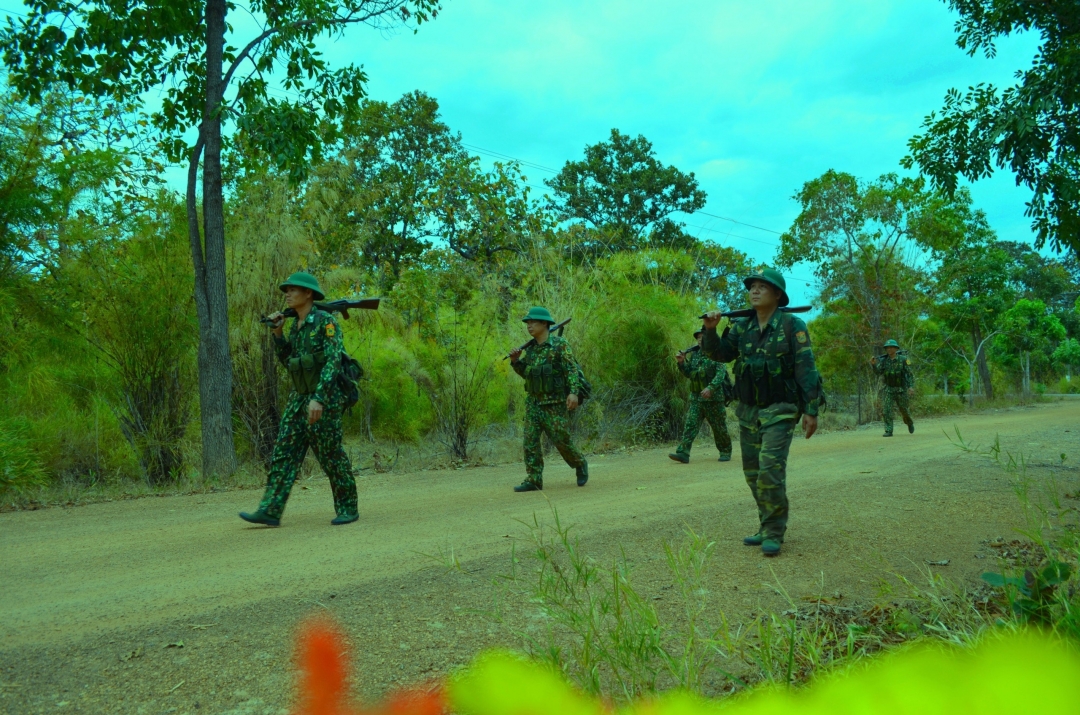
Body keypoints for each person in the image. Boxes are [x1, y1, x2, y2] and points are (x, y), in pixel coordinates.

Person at [701, 268, 823, 557]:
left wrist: (811, 410)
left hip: (781, 409)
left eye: (762, 287)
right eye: (752, 287)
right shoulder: (741, 326)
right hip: (748, 411)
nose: (754, 291)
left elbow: (806, 370)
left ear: (778, 294)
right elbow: (720, 355)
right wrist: (710, 330)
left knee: (770, 470)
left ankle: (773, 532)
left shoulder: (794, 325)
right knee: (753, 473)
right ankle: (766, 522)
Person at [239, 272, 358, 527]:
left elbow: (332, 362)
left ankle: (348, 507)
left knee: (329, 454)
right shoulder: (296, 325)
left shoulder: (325, 322)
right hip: (299, 399)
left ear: (309, 294)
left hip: (323, 398)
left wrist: (319, 399)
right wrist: (279, 334)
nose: (288, 294)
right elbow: (289, 363)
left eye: (294, 289)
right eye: (287, 290)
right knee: (283, 452)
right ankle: (270, 510)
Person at [509, 307, 588, 492]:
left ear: (544, 323)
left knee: (561, 440)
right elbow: (528, 375)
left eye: (532, 322)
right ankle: (534, 479)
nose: (529, 326)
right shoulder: (532, 351)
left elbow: (571, 370)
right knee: (530, 442)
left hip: (554, 404)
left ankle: (579, 462)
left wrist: (574, 392)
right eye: (527, 323)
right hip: (534, 404)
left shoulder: (559, 344)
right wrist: (515, 361)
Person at [669, 328, 733, 463]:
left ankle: (725, 451)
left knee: (719, 427)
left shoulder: (717, 354)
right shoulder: (695, 355)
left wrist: (711, 388)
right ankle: (683, 453)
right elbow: (689, 374)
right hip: (697, 399)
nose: (700, 340)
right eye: (698, 338)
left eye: (703, 337)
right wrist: (681, 363)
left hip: (714, 399)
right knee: (690, 425)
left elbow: (720, 374)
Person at [871, 339, 915, 437]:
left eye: (891, 347)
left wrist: (911, 387)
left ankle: (909, 423)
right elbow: (878, 373)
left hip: (901, 389)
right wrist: (874, 365)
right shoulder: (884, 361)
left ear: (896, 348)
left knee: (904, 410)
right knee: (886, 410)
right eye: (887, 348)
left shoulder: (903, 359)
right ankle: (889, 430)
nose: (889, 349)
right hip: (889, 389)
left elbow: (910, 374)